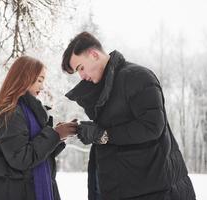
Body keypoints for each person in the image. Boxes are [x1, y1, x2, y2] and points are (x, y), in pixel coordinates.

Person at [61, 32, 196, 200]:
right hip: (118, 188)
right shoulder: (102, 89)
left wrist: (103, 134)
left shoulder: (137, 77)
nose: (81, 76)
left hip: (152, 190)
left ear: (94, 55)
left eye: (81, 68)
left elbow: (152, 126)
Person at [0, 56, 77, 200]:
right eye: (39, 80)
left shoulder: (28, 112)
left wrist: (57, 137)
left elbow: (36, 155)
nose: (42, 86)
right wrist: (54, 135)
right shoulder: (11, 113)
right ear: (25, 78)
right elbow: (21, 158)